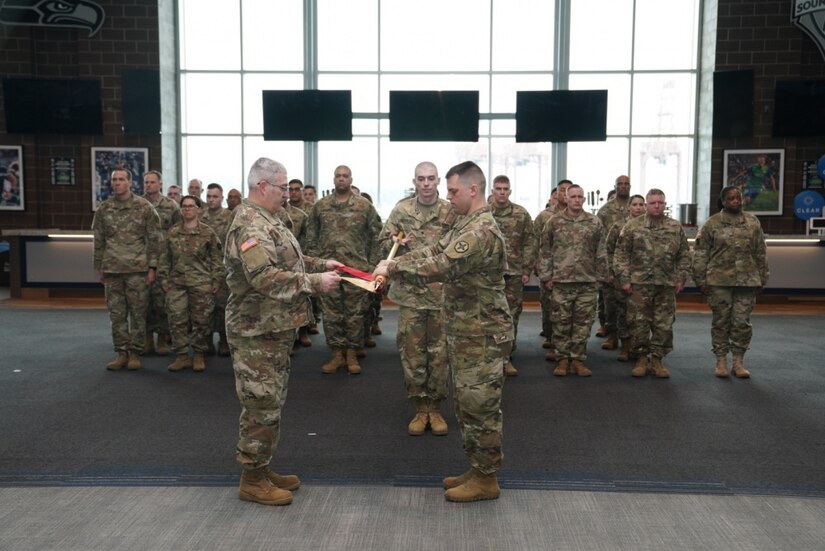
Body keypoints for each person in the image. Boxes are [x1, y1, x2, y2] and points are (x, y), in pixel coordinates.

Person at [374, 161, 513, 503]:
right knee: (467, 405)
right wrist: (395, 263)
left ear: (472, 190)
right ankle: (477, 468)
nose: (447, 197)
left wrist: (395, 268)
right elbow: (435, 250)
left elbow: (442, 265)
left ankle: (486, 479)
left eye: (452, 191)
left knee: (480, 407)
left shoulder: (480, 231)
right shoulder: (465, 222)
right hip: (468, 329)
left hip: (482, 332)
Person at [225, 157, 342, 506]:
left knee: (270, 402)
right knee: (260, 404)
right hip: (255, 330)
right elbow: (264, 278)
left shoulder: (267, 220)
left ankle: (261, 468)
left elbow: (285, 260)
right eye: (281, 187)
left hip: (271, 328)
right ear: (263, 186)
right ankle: (252, 478)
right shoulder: (249, 225)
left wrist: (322, 265)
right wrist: (316, 283)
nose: (287, 194)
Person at [379, 161, 456, 436]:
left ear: (438, 182)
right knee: (412, 354)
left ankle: (435, 408)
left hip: (441, 294)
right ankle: (419, 408)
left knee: (439, 355)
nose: (426, 183)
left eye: (431, 179)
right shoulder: (402, 210)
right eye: (421, 179)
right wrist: (393, 239)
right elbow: (383, 241)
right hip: (411, 294)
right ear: (414, 182)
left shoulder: (451, 211)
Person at [305, 165, 383, 374]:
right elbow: (311, 237)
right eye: (338, 176)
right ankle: (337, 354)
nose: (341, 179)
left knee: (356, 314)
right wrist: (315, 264)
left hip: (356, 269)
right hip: (329, 269)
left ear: (351, 179)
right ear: (333, 179)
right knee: (331, 313)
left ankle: (351, 354)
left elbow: (377, 236)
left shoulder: (363, 206)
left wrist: (373, 265)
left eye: (345, 176)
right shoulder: (320, 207)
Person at [693, 185, 769, 378]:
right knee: (721, 322)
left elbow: (760, 251)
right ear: (724, 201)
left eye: (738, 197)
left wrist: (763, 276)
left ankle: (738, 362)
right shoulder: (712, 224)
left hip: (747, 280)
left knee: (742, 322)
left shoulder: (752, 222)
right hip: (719, 281)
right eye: (731, 198)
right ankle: (720, 360)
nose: (735, 201)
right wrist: (700, 279)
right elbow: (701, 253)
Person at [614, 189, 691, 378]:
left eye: (661, 203)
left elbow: (684, 255)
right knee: (639, 323)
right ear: (647, 205)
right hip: (639, 284)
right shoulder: (633, 226)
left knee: (663, 324)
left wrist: (681, 278)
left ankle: (657, 359)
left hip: (666, 284)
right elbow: (621, 255)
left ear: (665, 205)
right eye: (653, 203)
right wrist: (624, 279)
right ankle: (641, 358)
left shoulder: (674, 227)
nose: (657, 206)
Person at [92, 168, 162, 371]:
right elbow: (99, 240)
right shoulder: (104, 209)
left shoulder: (144, 207)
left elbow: (154, 239)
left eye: (121, 179)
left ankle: (135, 353)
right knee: (116, 314)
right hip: (112, 269)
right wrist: (100, 267)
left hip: (137, 270)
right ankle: (121, 352)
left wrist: (152, 268)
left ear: (130, 183)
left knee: (138, 314)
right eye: (114, 180)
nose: (117, 183)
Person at [537, 184, 608, 377]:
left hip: (587, 281)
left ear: (584, 200)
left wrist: (601, 276)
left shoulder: (594, 222)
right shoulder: (553, 222)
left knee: (583, 324)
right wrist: (546, 277)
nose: (576, 200)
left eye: (580, 197)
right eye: (573, 196)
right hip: (561, 281)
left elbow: (601, 251)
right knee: (561, 322)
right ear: (566, 199)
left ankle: (577, 360)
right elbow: (545, 251)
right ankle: (561, 360)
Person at [161, 195, 224, 372]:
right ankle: (182, 356)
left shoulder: (207, 233)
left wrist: (216, 280)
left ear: (198, 209)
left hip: (201, 284)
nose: (187, 209)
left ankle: (198, 354)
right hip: (177, 284)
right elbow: (164, 259)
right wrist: (164, 281)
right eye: (184, 206)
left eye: (191, 206)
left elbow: (217, 259)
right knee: (176, 320)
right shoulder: (172, 233)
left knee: (201, 321)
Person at [490, 175, 536, 376]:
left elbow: (529, 242)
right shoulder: (482, 213)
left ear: (510, 191)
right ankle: (491, 357)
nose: (501, 192)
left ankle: (506, 356)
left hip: (513, 273)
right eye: (498, 188)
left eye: (505, 189)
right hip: (488, 274)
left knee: (510, 315)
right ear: (492, 190)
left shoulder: (520, 214)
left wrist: (526, 270)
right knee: (489, 315)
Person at [143, 170, 183, 356]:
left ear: (160, 184)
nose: (148, 185)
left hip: (164, 260)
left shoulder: (171, 205)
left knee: (162, 302)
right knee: (143, 302)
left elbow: (179, 230)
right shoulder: (139, 204)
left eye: (152, 182)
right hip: (141, 259)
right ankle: (147, 338)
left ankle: (162, 339)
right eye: (146, 182)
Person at [603, 194, 646, 361]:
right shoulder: (618, 226)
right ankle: (625, 346)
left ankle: (640, 346)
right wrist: (612, 273)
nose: (638, 207)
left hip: (644, 278)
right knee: (623, 311)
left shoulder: (649, 226)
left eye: (641, 204)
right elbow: (608, 250)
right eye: (634, 204)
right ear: (628, 207)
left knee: (641, 315)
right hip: (623, 276)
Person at [533, 179, 572, 360]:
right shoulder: (545, 216)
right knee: (549, 308)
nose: (564, 194)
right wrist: (536, 264)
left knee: (570, 311)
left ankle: (566, 345)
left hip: (572, 273)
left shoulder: (579, 216)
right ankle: (552, 338)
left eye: (568, 191)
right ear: (556, 193)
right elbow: (535, 242)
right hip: (550, 269)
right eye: (561, 191)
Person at [596, 175, 632, 348]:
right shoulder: (605, 211)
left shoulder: (637, 207)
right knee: (610, 304)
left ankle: (630, 340)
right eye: (620, 184)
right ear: (615, 186)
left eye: (626, 184)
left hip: (632, 267)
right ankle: (612, 335)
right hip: (610, 264)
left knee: (629, 307)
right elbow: (600, 240)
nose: (623, 187)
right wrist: (604, 269)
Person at [275, 189, 312, 348]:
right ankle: (285, 341)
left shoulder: (299, 215)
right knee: (280, 302)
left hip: (295, 262)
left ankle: (302, 332)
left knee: (299, 298)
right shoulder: (260, 216)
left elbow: (306, 240)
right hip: (275, 265)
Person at [201, 183, 235, 356]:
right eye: (208, 197)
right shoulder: (200, 216)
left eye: (215, 196)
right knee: (205, 308)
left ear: (222, 198)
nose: (211, 200)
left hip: (224, 269)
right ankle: (206, 342)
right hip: (202, 269)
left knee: (223, 307)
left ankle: (224, 341)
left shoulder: (230, 217)